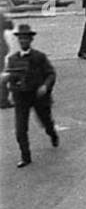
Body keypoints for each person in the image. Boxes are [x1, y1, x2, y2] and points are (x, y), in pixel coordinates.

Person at [4, 22, 58, 169]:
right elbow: (12, 77)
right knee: (20, 129)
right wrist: (9, 83)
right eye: (21, 39)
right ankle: (25, 157)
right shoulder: (13, 59)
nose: (23, 42)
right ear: (18, 40)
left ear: (31, 40)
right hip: (21, 97)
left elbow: (51, 74)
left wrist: (45, 86)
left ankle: (52, 134)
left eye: (26, 39)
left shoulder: (39, 57)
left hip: (38, 96)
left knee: (45, 121)